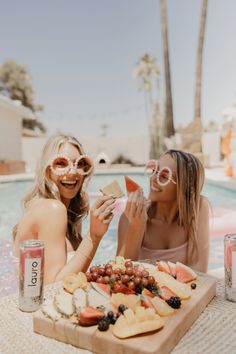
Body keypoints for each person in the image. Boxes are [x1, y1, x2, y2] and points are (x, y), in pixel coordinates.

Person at [13, 134, 116, 284]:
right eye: (61, 163)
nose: (73, 172)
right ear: (47, 169)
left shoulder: (72, 214)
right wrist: (93, 237)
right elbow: (53, 286)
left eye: (79, 163)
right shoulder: (52, 209)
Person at [117, 149, 209, 272]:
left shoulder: (198, 208)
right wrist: (136, 226)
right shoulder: (129, 217)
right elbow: (120, 273)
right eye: (155, 170)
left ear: (183, 188)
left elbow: (200, 269)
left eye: (164, 176)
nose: (154, 178)